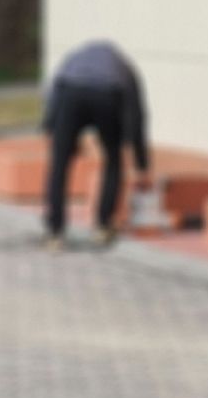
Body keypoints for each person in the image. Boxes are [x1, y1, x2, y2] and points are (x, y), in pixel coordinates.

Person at [41, 39, 151, 251]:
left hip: (70, 94)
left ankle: (54, 232)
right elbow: (137, 116)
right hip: (106, 95)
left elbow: (55, 89)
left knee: (59, 163)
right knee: (113, 159)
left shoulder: (73, 59)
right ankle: (103, 226)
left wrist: (50, 127)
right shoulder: (125, 68)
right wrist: (141, 165)